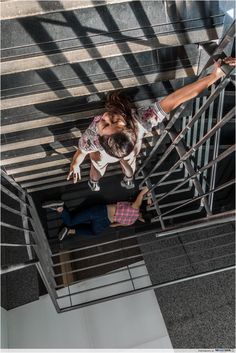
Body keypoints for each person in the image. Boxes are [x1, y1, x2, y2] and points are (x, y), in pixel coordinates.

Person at [67, 57, 236, 191]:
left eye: (108, 122)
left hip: (121, 150)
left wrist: (76, 161)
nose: (105, 116)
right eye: (108, 122)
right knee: (118, 163)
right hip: (125, 151)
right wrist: (214, 76)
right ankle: (117, 179)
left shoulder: (94, 139)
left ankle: (101, 181)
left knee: (100, 164)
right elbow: (177, 99)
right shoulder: (142, 120)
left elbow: (82, 151)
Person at [42, 187, 150, 241]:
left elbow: (141, 195)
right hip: (105, 222)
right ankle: (70, 231)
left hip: (101, 211)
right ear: (142, 220)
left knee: (71, 221)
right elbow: (113, 225)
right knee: (94, 232)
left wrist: (148, 192)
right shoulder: (130, 222)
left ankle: (60, 207)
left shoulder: (136, 208)